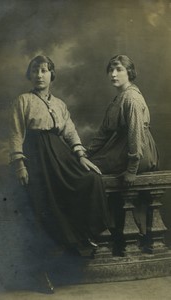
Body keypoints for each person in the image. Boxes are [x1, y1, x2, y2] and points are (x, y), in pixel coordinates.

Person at [9, 55, 110, 258]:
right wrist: (20, 164)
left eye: (44, 70)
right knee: (43, 198)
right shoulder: (23, 100)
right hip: (37, 157)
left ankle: (85, 234)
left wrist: (81, 156)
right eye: (35, 71)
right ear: (29, 75)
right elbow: (16, 133)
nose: (39, 75)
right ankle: (59, 248)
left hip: (59, 153)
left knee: (91, 179)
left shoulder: (59, 104)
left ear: (51, 75)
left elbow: (69, 131)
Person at [88, 54, 159, 255]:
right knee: (87, 165)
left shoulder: (131, 98)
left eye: (118, 69)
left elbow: (135, 134)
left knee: (92, 173)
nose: (113, 74)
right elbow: (103, 133)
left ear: (129, 72)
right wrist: (84, 153)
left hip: (139, 150)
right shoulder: (118, 98)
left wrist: (131, 169)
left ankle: (99, 231)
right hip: (122, 146)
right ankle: (101, 231)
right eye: (110, 70)